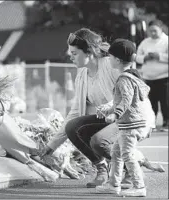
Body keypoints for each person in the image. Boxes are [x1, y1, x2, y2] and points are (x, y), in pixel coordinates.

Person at [39, 28, 121, 188]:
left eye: (74, 53)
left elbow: (126, 96)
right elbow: (75, 113)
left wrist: (109, 106)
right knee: (73, 127)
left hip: (126, 118)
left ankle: (129, 166)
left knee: (98, 141)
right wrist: (51, 146)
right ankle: (102, 168)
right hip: (108, 120)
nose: (70, 56)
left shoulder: (111, 66)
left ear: (89, 52)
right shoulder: (82, 74)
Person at [96, 39, 153, 197]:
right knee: (116, 152)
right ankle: (113, 184)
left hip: (130, 125)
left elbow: (126, 100)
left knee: (127, 155)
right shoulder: (131, 76)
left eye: (110, 57)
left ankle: (139, 186)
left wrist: (115, 114)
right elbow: (121, 101)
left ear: (118, 60)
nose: (108, 60)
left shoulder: (123, 79)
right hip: (131, 123)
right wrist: (108, 109)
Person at [136, 19, 168, 131]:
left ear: (161, 29)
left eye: (155, 30)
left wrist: (159, 56)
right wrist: (145, 58)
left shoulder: (166, 41)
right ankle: (152, 123)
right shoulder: (145, 42)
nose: (153, 33)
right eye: (151, 31)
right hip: (148, 77)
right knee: (151, 102)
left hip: (164, 77)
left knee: (165, 102)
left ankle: (166, 123)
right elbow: (136, 57)